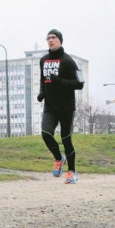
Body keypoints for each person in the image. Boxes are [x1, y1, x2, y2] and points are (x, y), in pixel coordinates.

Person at [37, 29, 84, 184]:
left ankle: (72, 172)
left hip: (66, 107)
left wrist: (60, 81)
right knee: (45, 133)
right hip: (50, 106)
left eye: (54, 38)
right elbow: (43, 80)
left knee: (66, 140)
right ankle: (59, 158)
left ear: (60, 40)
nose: (50, 40)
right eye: (48, 38)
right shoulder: (43, 60)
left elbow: (79, 84)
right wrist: (42, 93)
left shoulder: (69, 61)